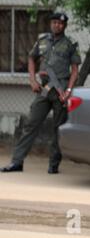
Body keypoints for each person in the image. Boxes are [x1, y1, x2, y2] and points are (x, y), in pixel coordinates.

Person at [1, 12, 81, 174]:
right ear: (51, 24)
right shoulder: (42, 40)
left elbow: (74, 70)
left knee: (58, 128)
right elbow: (31, 58)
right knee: (31, 124)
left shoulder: (70, 43)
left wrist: (69, 90)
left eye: (60, 23)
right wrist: (32, 80)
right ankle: (17, 162)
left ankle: (53, 164)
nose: (57, 25)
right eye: (54, 23)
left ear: (64, 26)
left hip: (61, 90)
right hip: (44, 90)